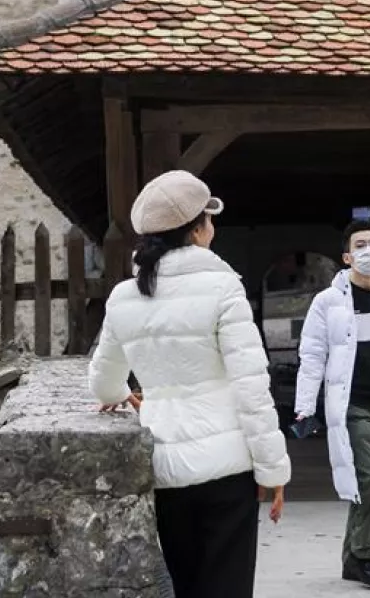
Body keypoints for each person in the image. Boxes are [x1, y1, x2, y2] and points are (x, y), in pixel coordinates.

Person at [88, 170, 291, 598]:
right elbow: (251, 387)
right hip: (227, 466)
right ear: (198, 229)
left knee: (186, 586)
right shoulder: (224, 288)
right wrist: (273, 470)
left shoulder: (125, 296)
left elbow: (104, 383)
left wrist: (124, 396)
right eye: (209, 220)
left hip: (164, 467)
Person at [294, 220, 370, 590]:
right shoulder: (327, 303)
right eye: (360, 245)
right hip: (352, 406)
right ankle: (365, 555)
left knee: (367, 481)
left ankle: (350, 557)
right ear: (347, 257)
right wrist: (304, 408)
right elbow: (312, 356)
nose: (368, 251)